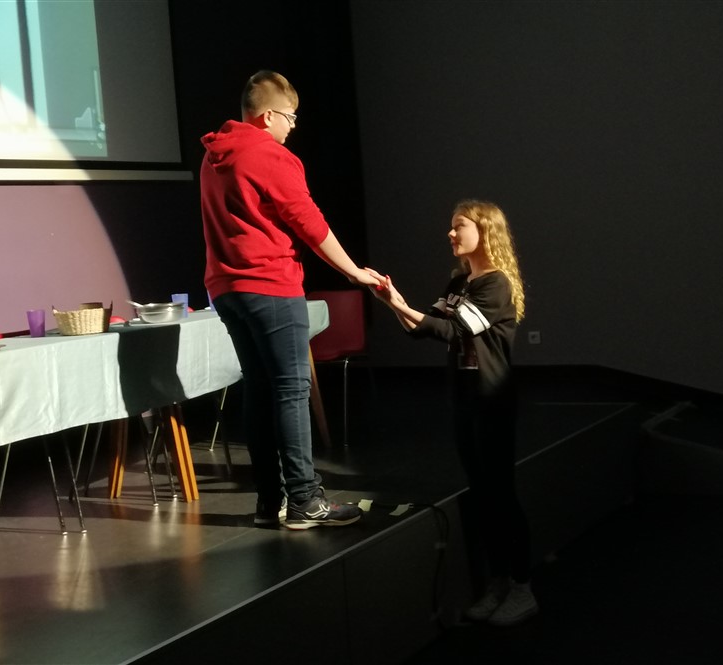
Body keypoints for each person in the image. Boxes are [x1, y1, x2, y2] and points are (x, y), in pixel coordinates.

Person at [200, 70, 382, 530]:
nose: (293, 125)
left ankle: (269, 503)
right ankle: (305, 499)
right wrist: (353, 271)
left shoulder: (213, 156)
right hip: (270, 284)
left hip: (226, 289)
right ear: (267, 116)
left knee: (259, 389)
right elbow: (309, 222)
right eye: (290, 116)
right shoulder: (269, 155)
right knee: (291, 389)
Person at [368, 199, 538, 626]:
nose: (450, 233)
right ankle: (498, 583)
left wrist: (400, 305)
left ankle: (522, 588)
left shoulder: (495, 284)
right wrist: (392, 300)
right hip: (464, 400)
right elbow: (424, 328)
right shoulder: (460, 281)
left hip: (491, 401)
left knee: (501, 495)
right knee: (481, 495)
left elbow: (452, 329)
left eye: (459, 225)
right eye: (451, 226)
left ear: (485, 231)